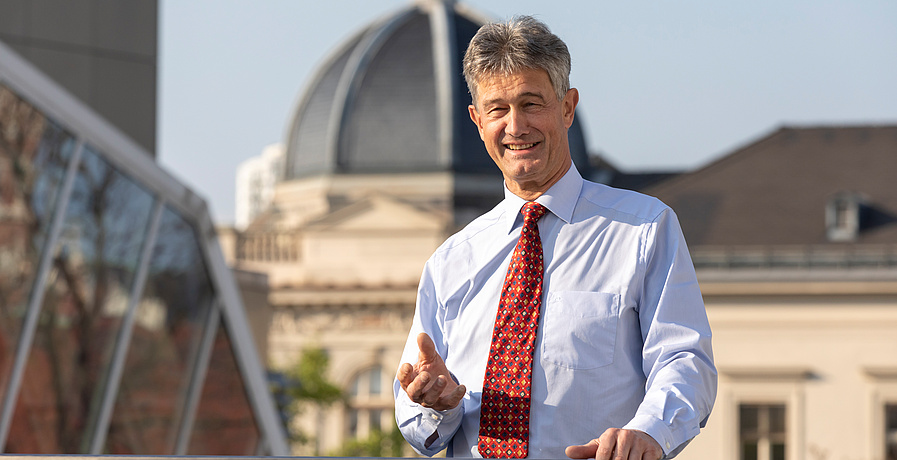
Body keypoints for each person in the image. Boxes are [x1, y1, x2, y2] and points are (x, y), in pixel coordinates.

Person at [394, 15, 716, 460]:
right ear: (476, 119)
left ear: (567, 107)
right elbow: (415, 424)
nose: (515, 126)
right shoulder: (452, 261)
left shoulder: (643, 229)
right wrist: (436, 404)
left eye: (531, 103)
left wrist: (648, 434)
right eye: (497, 109)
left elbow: (685, 363)